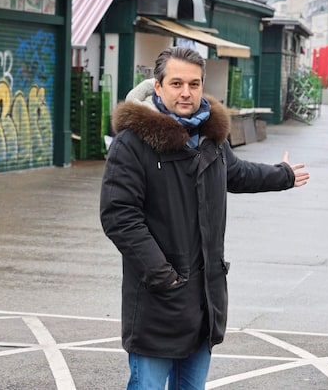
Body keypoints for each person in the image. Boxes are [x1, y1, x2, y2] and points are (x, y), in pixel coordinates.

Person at [100, 46, 310, 390]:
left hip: (203, 300)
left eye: (194, 84)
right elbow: (119, 216)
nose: (186, 93)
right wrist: (161, 274)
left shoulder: (210, 136)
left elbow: (236, 173)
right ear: (158, 86)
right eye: (177, 83)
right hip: (158, 300)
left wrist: (282, 175)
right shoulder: (132, 144)